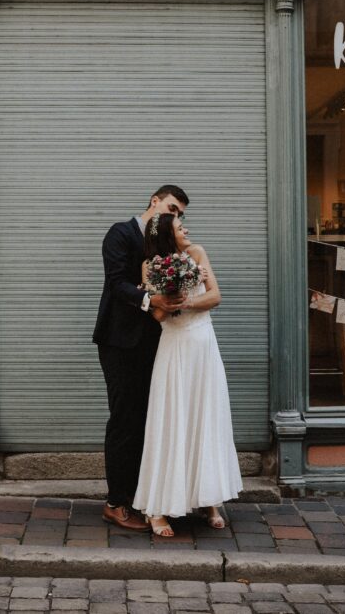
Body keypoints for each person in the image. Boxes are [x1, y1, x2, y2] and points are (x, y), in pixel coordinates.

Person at [133, 212, 243, 537]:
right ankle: (157, 508)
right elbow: (156, 316)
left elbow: (215, 296)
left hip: (204, 346)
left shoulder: (197, 253)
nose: (187, 230)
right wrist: (166, 304)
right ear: (169, 235)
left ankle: (208, 499)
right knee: (172, 420)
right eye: (181, 228)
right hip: (174, 347)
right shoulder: (149, 266)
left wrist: (188, 302)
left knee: (204, 417)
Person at [93, 185, 189, 531]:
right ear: (155, 201)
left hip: (154, 342)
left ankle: (141, 496)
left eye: (179, 214)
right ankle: (115, 503)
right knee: (124, 419)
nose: (174, 215)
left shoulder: (163, 242)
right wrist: (153, 301)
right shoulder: (120, 233)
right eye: (172, 207)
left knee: (148, 421)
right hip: (119, 342)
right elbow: (117, 283)